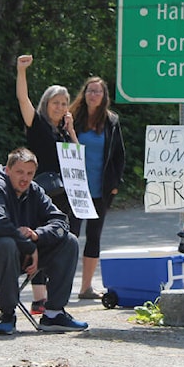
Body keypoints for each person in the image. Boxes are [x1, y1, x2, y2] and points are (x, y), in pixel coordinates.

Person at [0, 147, 88, 334]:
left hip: (17, 256)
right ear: (7, 170)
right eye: (19, 172)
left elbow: (61, 220)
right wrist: (29, 247)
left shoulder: (34, 190)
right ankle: (7, 315)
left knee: (69, 241)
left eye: (30, 173)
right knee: (6, 243)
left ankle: (53, 314)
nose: (25, 178)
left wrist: (37, 235)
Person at [15, 54, 77, 314]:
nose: (60, 107)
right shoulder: (37, 124)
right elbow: (22, 99)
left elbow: (76, 159)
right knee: (40, 238)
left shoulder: (63, 132)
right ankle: (39, 298)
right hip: (41, 190)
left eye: (64, 103)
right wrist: (21, 71)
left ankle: (53, 298)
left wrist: (72, 131)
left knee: (62, 241)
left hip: (64, 192)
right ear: (46, 103)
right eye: (55, 102)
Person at [65, 75, 125, 300]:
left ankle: (86, 288)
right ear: (84, 93)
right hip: (75, 188)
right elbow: (64, 147)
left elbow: (119, 155)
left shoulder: (111, 121)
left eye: (98, 92)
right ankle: (63, 286)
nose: (93, 95)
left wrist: (115, 185)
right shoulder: (72, 117)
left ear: (104, 97)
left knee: (94, 236)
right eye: (90, 90)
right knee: (70, 236)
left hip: (101, 189)